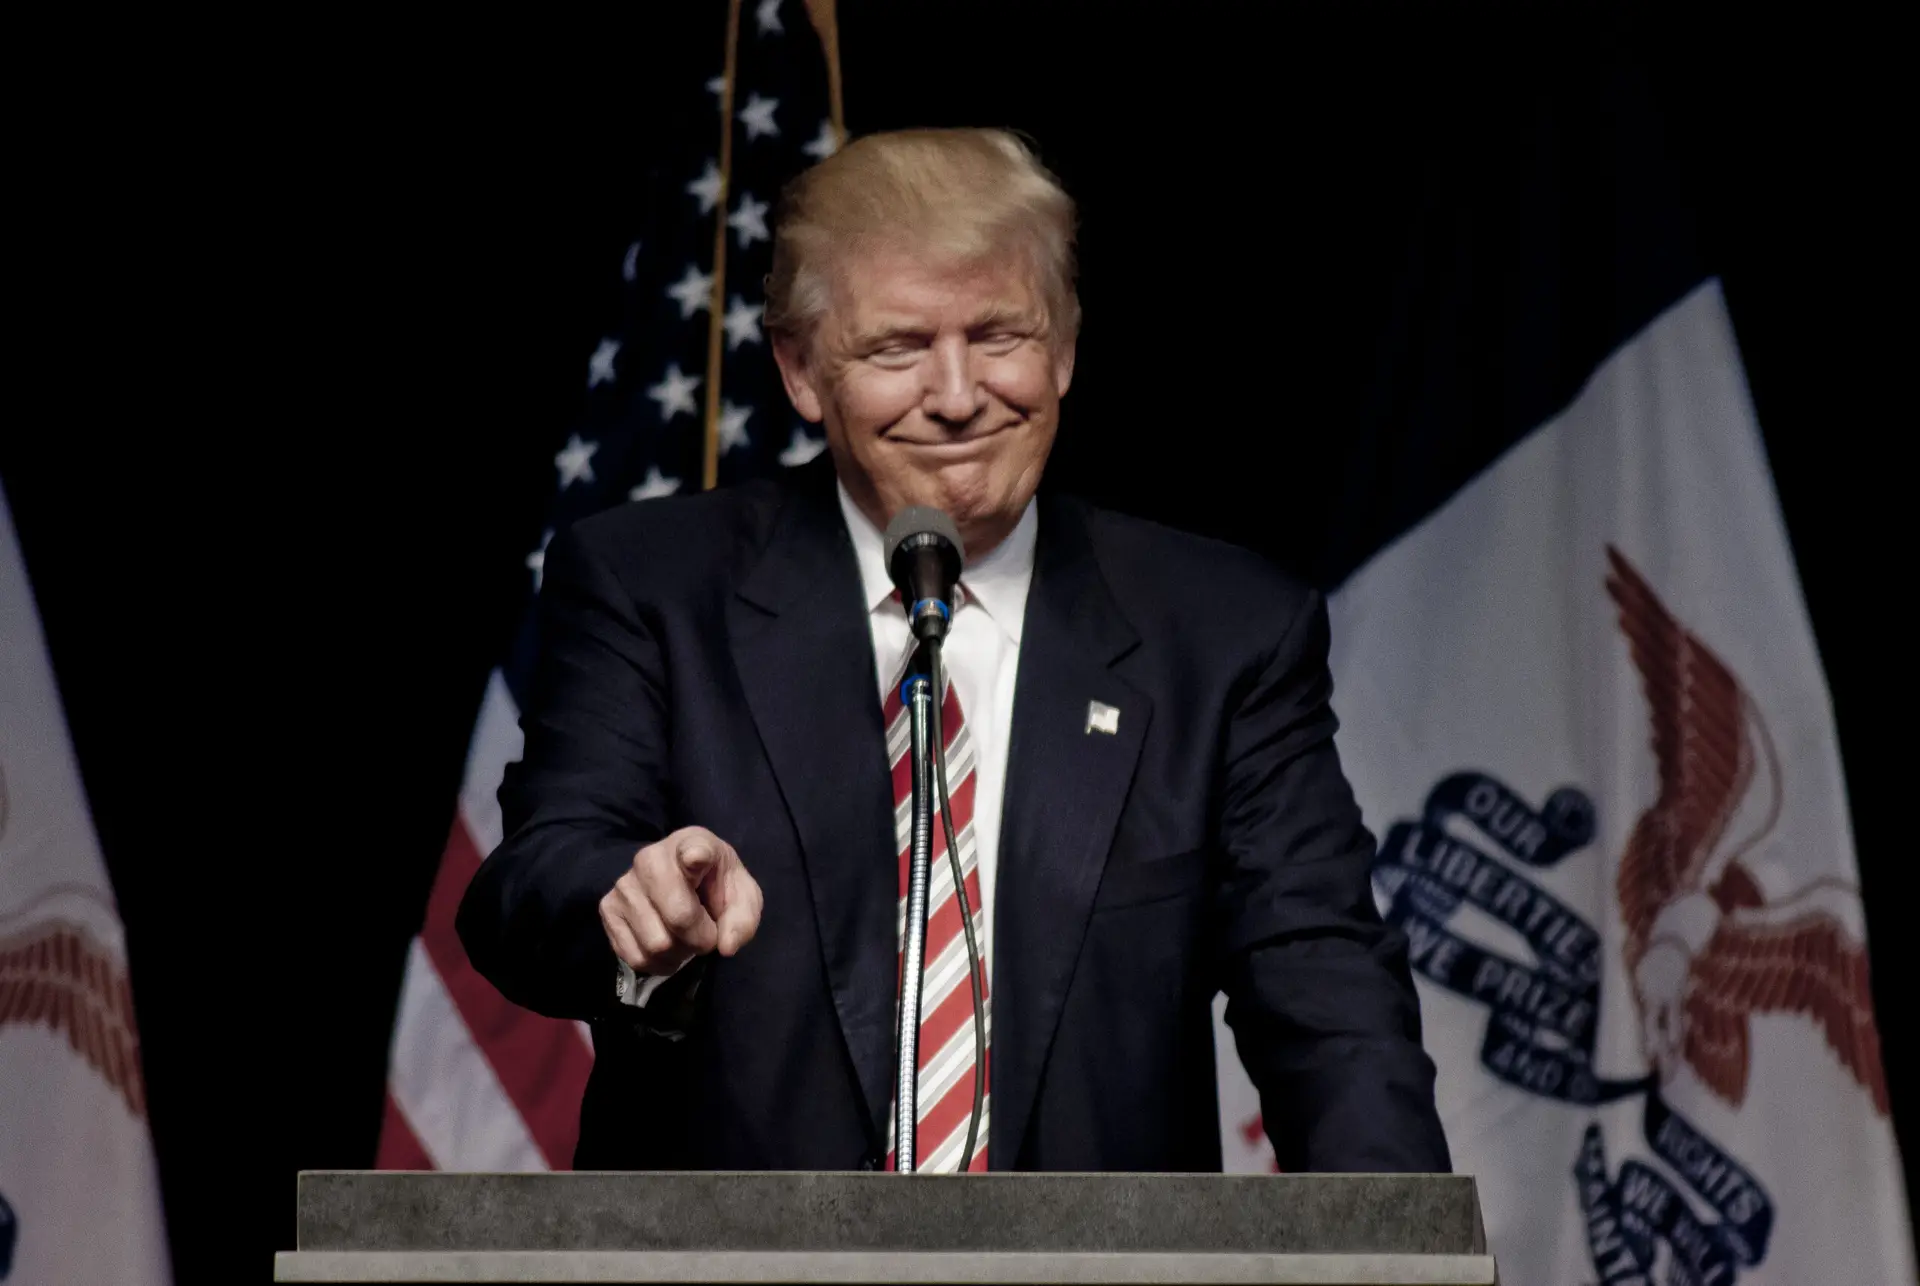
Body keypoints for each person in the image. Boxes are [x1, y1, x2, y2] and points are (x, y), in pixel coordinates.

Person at [457, 128, 1450, 1174]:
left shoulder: (1222, 632)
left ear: (1064, 347)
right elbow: (533, 881)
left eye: (1000, 335)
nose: (960, 393)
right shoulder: (653, 588)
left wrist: (1394, 1247)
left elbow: (1330, 1002)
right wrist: (630, 897)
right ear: (801, 369)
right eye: (898, 348)